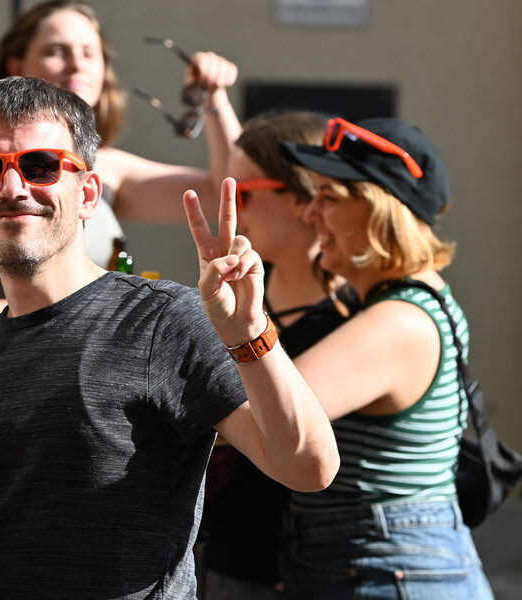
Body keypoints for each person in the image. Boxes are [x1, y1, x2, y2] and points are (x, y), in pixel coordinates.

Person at [0, 76, 338, 599]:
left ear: (88, 192)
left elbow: (309, 466)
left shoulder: (166, 321)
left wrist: (251, 334)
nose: (12, 187)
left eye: (40, 165)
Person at [0, 0, 242, 347]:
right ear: (16, 65)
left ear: (88, 190)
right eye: (56, 51)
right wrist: (77, 319)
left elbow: (232, 195)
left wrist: (213, 99)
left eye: (89, 53)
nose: (76, 63)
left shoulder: (110, 169)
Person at [278, 117, 493, 598]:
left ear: (380, 213)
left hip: (385, 564)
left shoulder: (399, 321)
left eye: (328, 197)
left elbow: (266, 416)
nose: (310, 213)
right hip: (377, 559)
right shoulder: (405, 302)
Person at [199, 111, 358, 599]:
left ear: (303, 195)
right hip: (225, 562)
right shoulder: (236, 299)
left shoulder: (358, 316)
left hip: (316, 574)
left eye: (244, 194)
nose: (234, 211)